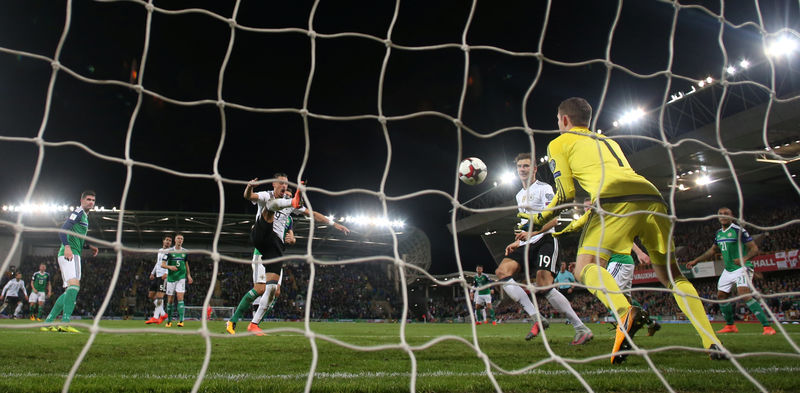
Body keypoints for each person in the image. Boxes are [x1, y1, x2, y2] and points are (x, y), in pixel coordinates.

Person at [521, 97, 722, 363]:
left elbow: (565, 193)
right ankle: (713, 341)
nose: (558, 124)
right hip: (651, 197)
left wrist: (536, 220)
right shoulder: (608, 141)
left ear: (565, 120)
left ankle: (624, 310)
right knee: (673, 277)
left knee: (584, 268)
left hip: (615, 199)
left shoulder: (560, 143)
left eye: (558, 120)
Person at [226, 174, 350, 335]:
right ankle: (233, 319)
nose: (285, 187)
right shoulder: (266, 195)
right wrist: (249, 186)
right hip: (262, 241)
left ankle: (254, 324)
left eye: (287, 185)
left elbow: (312, 215)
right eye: (282, 183)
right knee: (259, 288)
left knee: (273, 291)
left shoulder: (289, 218)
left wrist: (333, 224)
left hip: (276, 248)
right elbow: (248, 196)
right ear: (275, 184)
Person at [500, 153, 593, 345]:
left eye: (526, 166)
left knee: (544, 284)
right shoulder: (519, 195)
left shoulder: (544, 189)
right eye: (519, 166)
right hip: (527, 242)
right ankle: (537, 318)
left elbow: (553, 220)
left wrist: (532, 234)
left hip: (545, 240)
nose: (522, 169)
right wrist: (518, 241)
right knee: (502, 272)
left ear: (534, 169)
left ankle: (581, 328)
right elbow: (526, 223)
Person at [555, 198, 661, 336]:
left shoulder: (605, 222)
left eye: (590, 207)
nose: (588, 210)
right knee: (626, 301)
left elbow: (624, 238)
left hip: (619, 261)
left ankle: (625, 332)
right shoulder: (594, 228)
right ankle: (651, 324)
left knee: (609, 295)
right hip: (615, 263)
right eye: (586, 208)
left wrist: (639, 252)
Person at [686, 207, 776, 336]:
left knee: (744, 294)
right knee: (721, 296)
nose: (723, 216)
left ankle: (767, 327)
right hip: (728, 270)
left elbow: (754, 249)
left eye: (726, 214)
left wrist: (744, 258)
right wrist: (696, 261)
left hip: (742, 268)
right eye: (720, 214)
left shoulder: (738, 231)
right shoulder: (718, 233)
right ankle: (730, 326)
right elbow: (712, 251)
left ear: (732, 216)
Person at [42, 190, 99, 333]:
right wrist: (67, 247)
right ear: (82, 200)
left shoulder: (84, 216)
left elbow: (76, 236)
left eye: (93, 200)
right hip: (70, 254)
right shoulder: (78, 212)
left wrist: (88, 246)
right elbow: (63, 230)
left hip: (75, 253)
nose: (91, 202)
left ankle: (48, 322)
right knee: (74, 286)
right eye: (88, 199)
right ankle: (65, 323)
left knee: (70, 289)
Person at [162, 234, 193, 328]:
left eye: (182, 239)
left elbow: (186, 264)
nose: (180, 240)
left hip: (181, 278)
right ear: (175, 240)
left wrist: (189, 275)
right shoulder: (169, 251)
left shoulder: (185, 252)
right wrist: (169, 267)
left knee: (180, 297)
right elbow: (162, 264)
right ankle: (169, 321)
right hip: (171, 278)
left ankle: (181, 320)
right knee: (170, 300)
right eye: (178, 238)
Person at [145, 235, 173, 324]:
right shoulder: (160, 250)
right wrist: (152, 272)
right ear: (163, 241)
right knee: (151, 295)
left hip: (164, 276)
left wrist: (167, 273)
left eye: (170, 240)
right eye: (167, 240)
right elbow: (158, 263)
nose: (168, 241)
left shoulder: (171, 252)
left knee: (160, 297)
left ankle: (155, 317)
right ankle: (163, 314)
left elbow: (172, 263)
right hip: (157, 275)